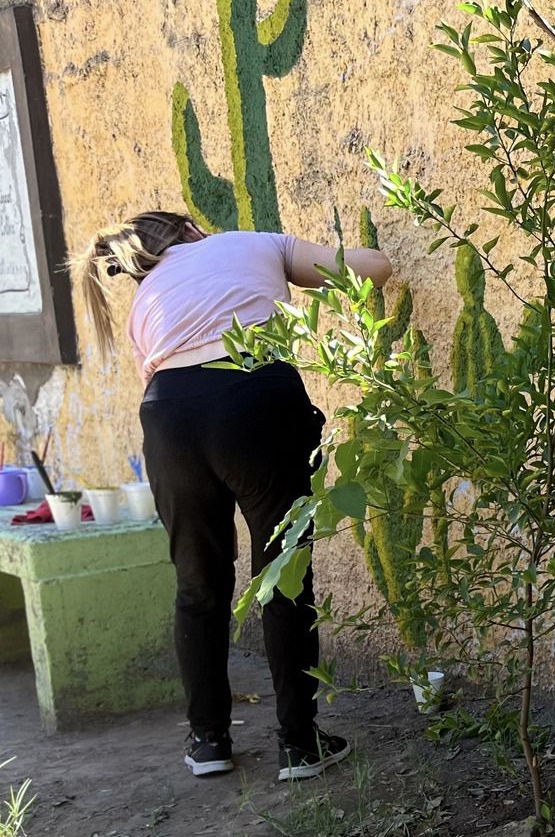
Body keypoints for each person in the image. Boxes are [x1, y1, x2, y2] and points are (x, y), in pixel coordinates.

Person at [75, 211, 389, 781]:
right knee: (284, 574)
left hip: (168, 416)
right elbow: (371, 269)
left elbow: (167, 372)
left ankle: (208, 743)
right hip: (252, 399)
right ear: (194, 228)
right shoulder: (252, 243)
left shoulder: (146, 300)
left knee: (198, 585)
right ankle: (299, 744)